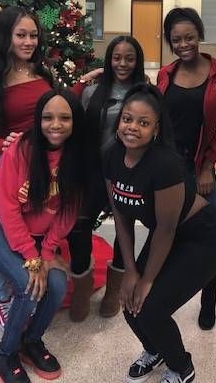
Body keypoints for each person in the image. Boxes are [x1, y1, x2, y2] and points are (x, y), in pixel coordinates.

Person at [104, 83, 216, 383]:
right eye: (127, 119)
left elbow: (167, 228)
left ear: (156, 130)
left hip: (203, 237)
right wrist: (130, 272)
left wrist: (147, 280)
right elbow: (121, 219)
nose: (132, 127)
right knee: (130, 302)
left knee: (149, 307)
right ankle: (154, 350)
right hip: (167, 233)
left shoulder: (165, 165)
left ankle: (182, 367)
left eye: (143, 123)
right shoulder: (111, 156)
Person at [0, 89, 87, 383]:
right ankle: (5, 352)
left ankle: (31, 342)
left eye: (64, 118)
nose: (55, 124)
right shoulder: (21, 148)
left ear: (75, 122)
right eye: (47, 117)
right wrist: (33, 258)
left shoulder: (79, 157)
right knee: (26, 284)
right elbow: (7, 207)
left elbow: (67, 212)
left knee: (57, 284)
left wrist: (47, 254)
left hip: (31, 234)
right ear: (38, 119)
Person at [0, 6, 54, 328]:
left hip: (31, 169)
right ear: (6, 37)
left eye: (33, 34)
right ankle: (2, 300)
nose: (29, 41)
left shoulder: (42, 71)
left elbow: (51, 111)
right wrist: (7, 145)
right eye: (21, 34)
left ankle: (25, 289)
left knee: (21, 232)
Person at [157, 7, 216, 330]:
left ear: (199, 35)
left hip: (200, 169)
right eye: (176, 39)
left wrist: (207, 167)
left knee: (210, 239)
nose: (183, 44)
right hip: (168, 172)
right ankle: (164, 301)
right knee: (166, 235)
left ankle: (207, 301)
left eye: (189, 37)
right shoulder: (165, 74)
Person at [66, 35, 146, 321]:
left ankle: (114, 290)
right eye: (117, 57)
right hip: (93, 172)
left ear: (137, 62)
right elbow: (64, 107)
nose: (122, 63)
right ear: (108, 60)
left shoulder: (144, 93)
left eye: (129, 58)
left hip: (128, 173)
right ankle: (82, 288)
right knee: (79, 226)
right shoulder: (93, 92)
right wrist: (83, 79)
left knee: (125, 231)